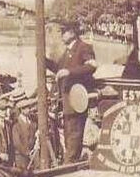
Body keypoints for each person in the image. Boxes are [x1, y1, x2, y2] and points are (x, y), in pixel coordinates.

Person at [45, 22, 98, 164]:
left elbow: (92, 66)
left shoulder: (83, 47)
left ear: (73, 33)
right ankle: (70, 164)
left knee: (74, 139)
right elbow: (59, 69)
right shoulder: (68, 51)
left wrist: (70, 71)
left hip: (77, 101)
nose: (61, 35)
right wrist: (44, 61)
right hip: (68, 104)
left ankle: (68, 166)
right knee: (70, 139)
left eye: (64, 31)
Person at [11, 98, 38, 169]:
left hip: (32, 155)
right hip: (21, 156)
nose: (28, 110)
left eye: (29, 107)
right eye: (26, 108)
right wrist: (26, 152)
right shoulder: (16, 125)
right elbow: (17, 143)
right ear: (21, 110)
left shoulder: (32, 122)